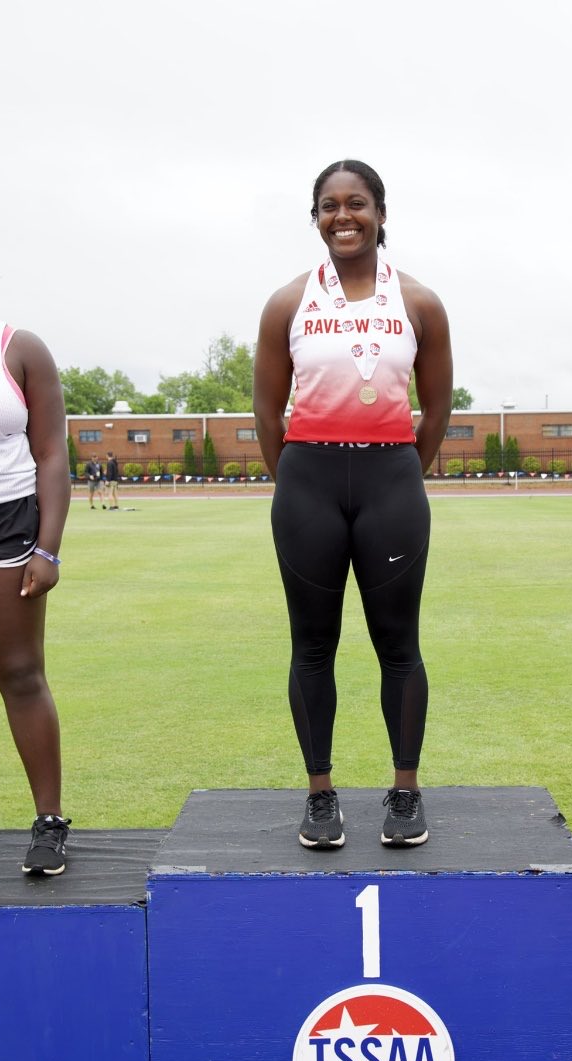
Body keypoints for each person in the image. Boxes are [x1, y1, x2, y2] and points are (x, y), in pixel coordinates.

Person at [253, 160, 452, 849]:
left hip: (390, 479)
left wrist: (400, 473)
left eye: (357, 203)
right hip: (306, 479)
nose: (344, 216)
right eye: (329, 206)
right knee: (312, 645)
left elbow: (437, 408)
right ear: (316, 218)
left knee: (399, 644)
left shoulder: (419, 302)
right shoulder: (287, 303)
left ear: (381, 213)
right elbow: (266, 410)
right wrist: (294, 479)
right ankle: (319, 797)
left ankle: (405, 792)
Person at [0, 220, 72, 875]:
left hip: (3, 519)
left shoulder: (17, 347)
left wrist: (47, 549)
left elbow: (51, 453)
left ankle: (49, 822)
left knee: (20, 673)